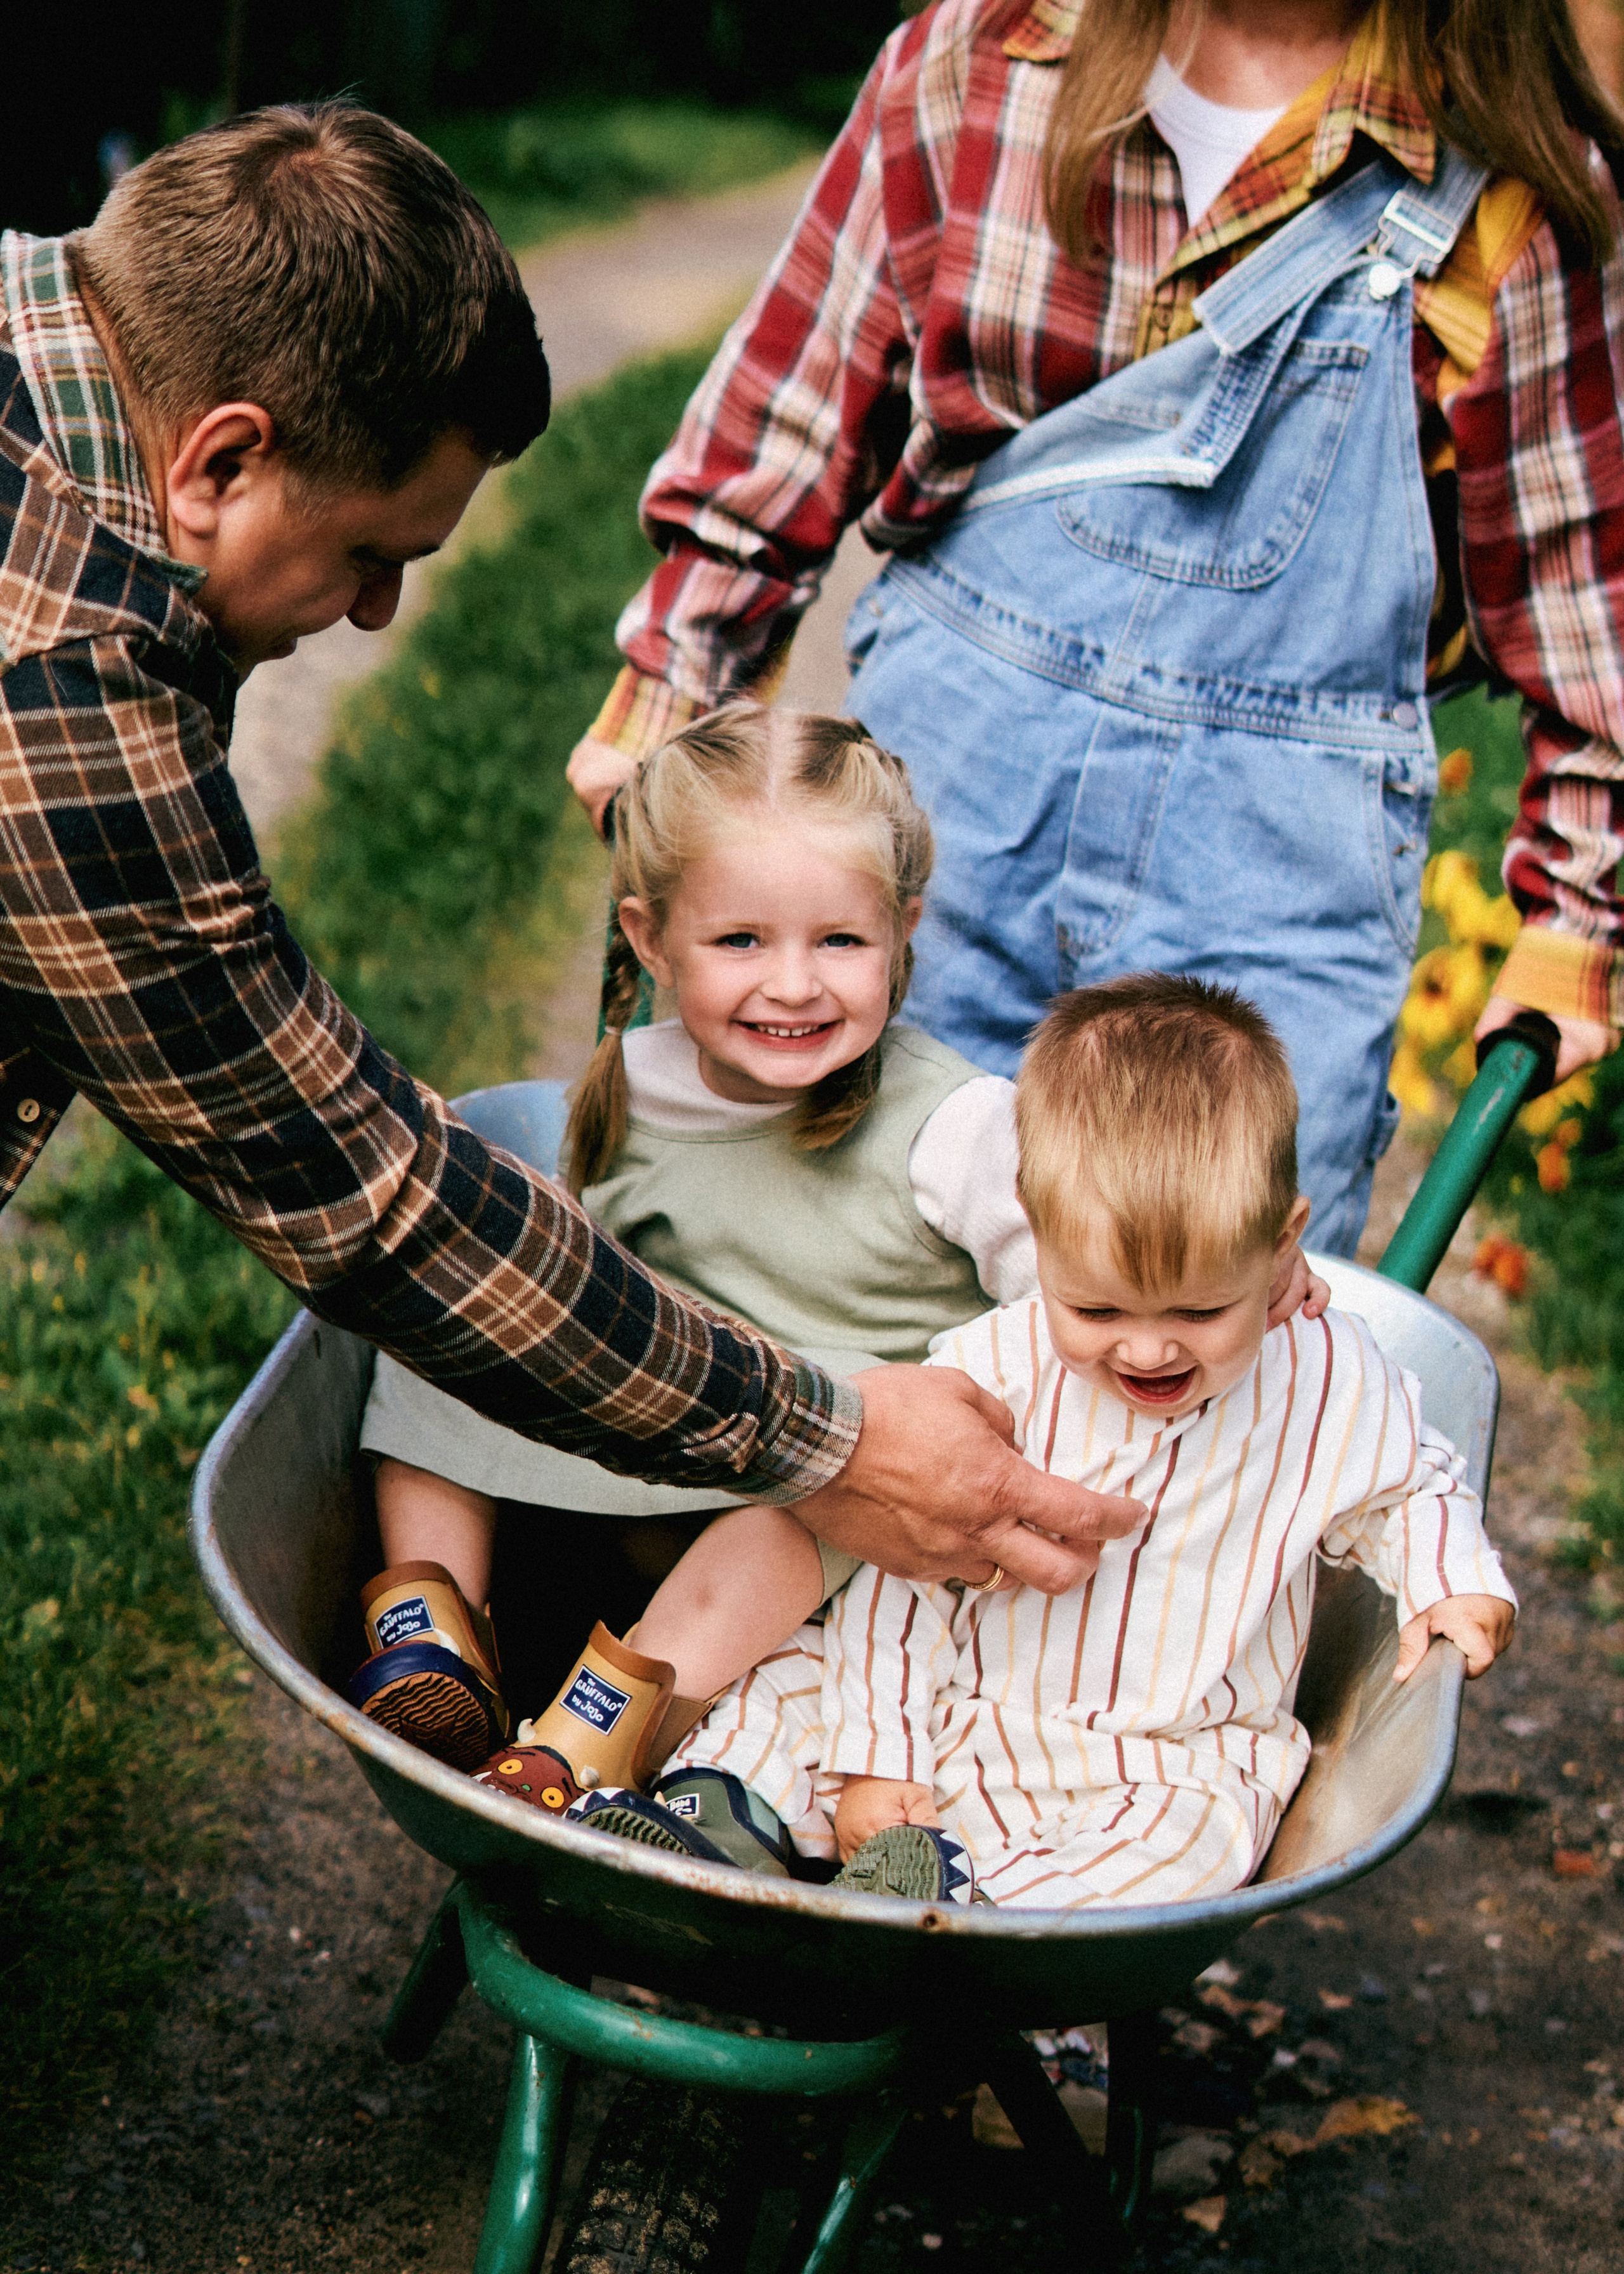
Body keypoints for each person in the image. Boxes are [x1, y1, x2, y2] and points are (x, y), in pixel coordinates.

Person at [0, 101, 1151, 1621]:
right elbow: (365, 1193)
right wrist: (827, 1436)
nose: (372, 620)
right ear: (220, 458)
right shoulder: (61, 684)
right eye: (370, 555)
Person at [565, 0, 1624, 1258]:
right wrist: (670, 696)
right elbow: (781, 430)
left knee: (1207, 1333)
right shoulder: (977, 68)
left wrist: (1576, 914)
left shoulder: (1505, 183)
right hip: (947, 830)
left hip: (1270, 886)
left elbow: (1588, 611)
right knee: (852, 1264)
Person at [351, 706, 1329, 1777]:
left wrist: (1226, 1268)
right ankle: (434, 1628)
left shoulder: (955, 1129)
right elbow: (592, 1289)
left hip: (843, 1503)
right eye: (740, 941)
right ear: (650, 939)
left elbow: (1099, 1280)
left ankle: (593, 1741)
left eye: (841, 941)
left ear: (903, 933)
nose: (794, 983)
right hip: (671, 1445)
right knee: (444, 1324)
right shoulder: (628, 1088)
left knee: (820, 1480)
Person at [568, 975, 1516, 1905]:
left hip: (1169, 1757)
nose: (1147, 1346)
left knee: (1197, 1837)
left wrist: (1452, 1579)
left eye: (1200, 1309)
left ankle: (963, 1906)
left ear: (1282, 1247)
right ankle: (716, 1822)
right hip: (954, 1707)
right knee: (791, 1682)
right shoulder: (995, 1368)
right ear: (1039, 1233)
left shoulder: (1330, 1381)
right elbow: (903, 1569)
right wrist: (879, 1760)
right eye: (1096, 1306)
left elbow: (1413, 1486)